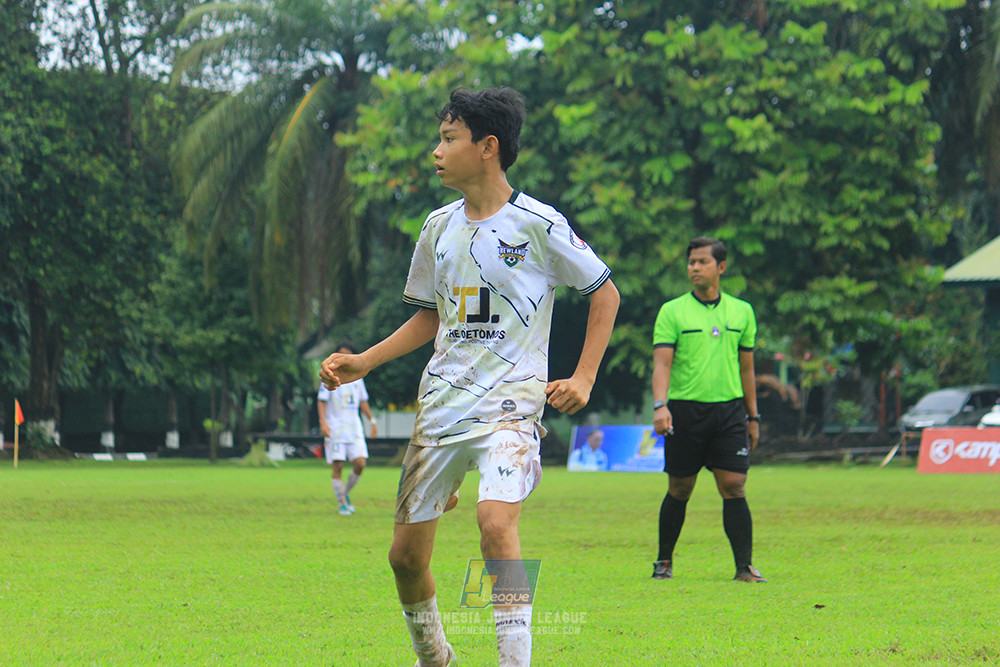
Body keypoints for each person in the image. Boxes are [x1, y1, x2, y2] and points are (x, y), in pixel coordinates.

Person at [320, 87, 619, 667]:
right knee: (405, 559)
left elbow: (604, 292)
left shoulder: (537, 224)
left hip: (512, 406)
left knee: (493, 521)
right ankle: (436, 657)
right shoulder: (438, 227)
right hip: (440, 407)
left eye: (448, 139)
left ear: (488, 147)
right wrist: (363, 362)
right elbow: (430, 317)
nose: (436, 151)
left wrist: (582, 377)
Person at [650, 237, 765, 583]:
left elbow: (747, 369)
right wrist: (660, 405)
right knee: (680, 488)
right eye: (691, 263)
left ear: (721, 267)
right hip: (685, 412)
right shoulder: (672, 311)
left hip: (729, 413)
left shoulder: (742, 311)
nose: (695, 268)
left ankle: (744, 568)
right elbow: (662, 365)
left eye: (702, 262)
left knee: (734, 485)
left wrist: (753, 416)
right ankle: (664, 562)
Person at [317, 340, 377, 516]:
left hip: (354, 428)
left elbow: (362, 401)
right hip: (336, 428)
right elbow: (321, 400)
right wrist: (323, 422)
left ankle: (344, 494)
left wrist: (372, 421)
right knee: (339, 466)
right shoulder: (329, 375)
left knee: (360, 463)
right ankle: (342, 503)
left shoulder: (358, 378)